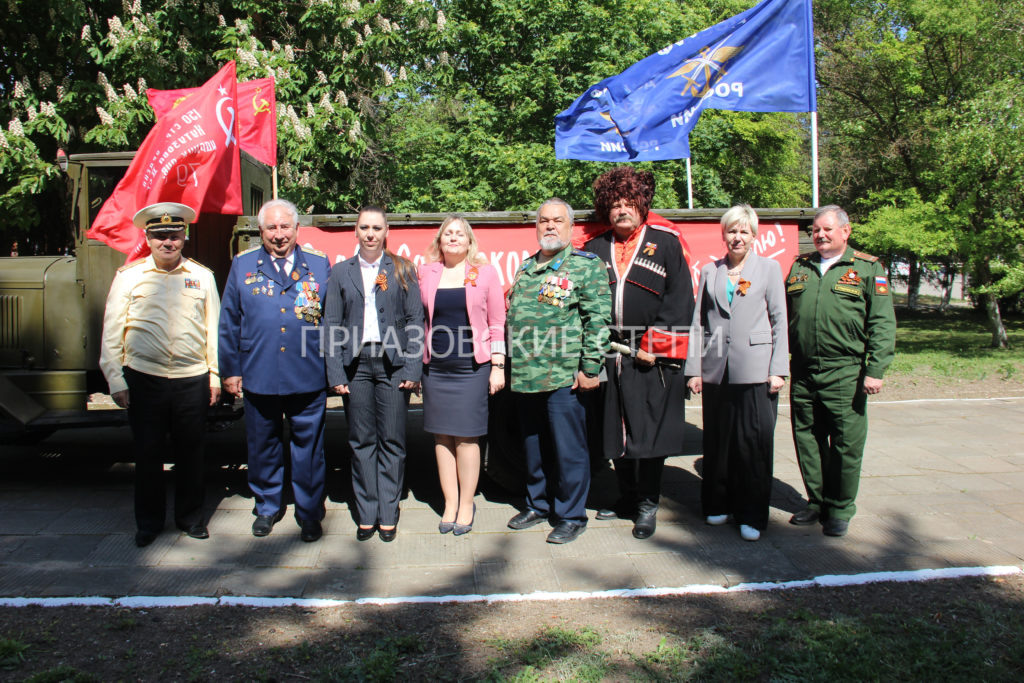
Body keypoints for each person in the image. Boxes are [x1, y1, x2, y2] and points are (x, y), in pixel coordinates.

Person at [99, 202, 220, 547]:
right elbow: (112, 332)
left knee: (192, 455)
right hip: (145, 378)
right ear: (148, 239)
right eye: (160, 236)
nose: (168, 242)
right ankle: (149, 523)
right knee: (148, 455)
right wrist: (116, 379)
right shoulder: (129, 277)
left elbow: (213, 329)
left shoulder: (202, 277)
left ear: (185, 237)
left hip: (191, 378)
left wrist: (214, 375)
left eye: (175, 235)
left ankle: (191, 519)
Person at [585, 167, 694, 540]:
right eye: (614, 204)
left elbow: (681, 301)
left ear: (642, 204)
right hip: (609, 355)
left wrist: (654, 345)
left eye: (628, 202)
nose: (621, 210)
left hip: (651, 359)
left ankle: (648, 503)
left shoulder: (665, 244)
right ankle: (627, 496)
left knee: (648, 434)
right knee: (614, 432)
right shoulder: (595, 249)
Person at [219, 198, 331, 543]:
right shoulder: (243, 266)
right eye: (271, 228)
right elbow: (229, 322)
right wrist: (230, 370)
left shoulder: (318, 265)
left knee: (309, 449)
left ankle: (309, 512)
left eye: (285, 227)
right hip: (259, 371)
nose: (279, 235)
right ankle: (267, 506)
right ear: (260, 231)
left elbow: (332, 320)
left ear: (297, 229)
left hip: (307, 372)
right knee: (262, 444)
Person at [505, 198, 611, 544]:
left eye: (557, 221)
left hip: (565, 376)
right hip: (526, 374)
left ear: (570, 227)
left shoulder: (585, 266)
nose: (549, 226)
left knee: (569, 450)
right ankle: (538, 504)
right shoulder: (525, 267)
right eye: (543, 221)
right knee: (533, 448)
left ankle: (571, 515)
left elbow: (597, 320)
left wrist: (590, 367)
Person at [786, 205, 896, 537]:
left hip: (845, 371)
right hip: (803, 370)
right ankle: (817, 501)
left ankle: (840, 507)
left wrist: (875, 369)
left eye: (827, 229)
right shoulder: (800, 267)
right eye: (815, 231)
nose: (819, 235)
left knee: (846, 443)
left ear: (845, 231)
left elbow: (882, 322)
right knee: (808, 438)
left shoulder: (866, 267)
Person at [684, 205, 788, 542]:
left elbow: (779, 320)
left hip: (756, 371)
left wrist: (778, 370)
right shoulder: (709, 272)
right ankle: (717, 504)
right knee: (718, 442)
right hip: (716, 371)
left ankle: (752, 514)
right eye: (731, 231)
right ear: (723, 235)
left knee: (752, 445)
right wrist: (694, 370)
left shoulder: (769, 269)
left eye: (744, 231)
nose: (737, 237)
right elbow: (699, 323)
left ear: (754, 236)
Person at [323, 206, 424, 542]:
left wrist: (412, 365)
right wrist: (335, 370)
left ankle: (388, 511)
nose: (370, 233)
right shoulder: (341, 272)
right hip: (356, 366)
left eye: (376, 228)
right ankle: (367, 512)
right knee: (361, 441)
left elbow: (414, 321)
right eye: (364, 227)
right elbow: (331, 324)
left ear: (386, 231)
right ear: (355, 231)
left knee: (392, 441)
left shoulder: (401, 269)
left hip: (392, 366)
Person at [418, 215, 506, 535]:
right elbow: (419, 321)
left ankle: (467, 503)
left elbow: (497, 321)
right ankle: (450, 502)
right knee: (442, 438)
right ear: (440, 241)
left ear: (469, 241)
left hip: (471, 368)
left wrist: (497, 365)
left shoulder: (484, 274)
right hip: (436, 369)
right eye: (448, 234)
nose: (453, 238)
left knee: (467, 439)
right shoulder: (426, 273)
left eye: (460, 234)